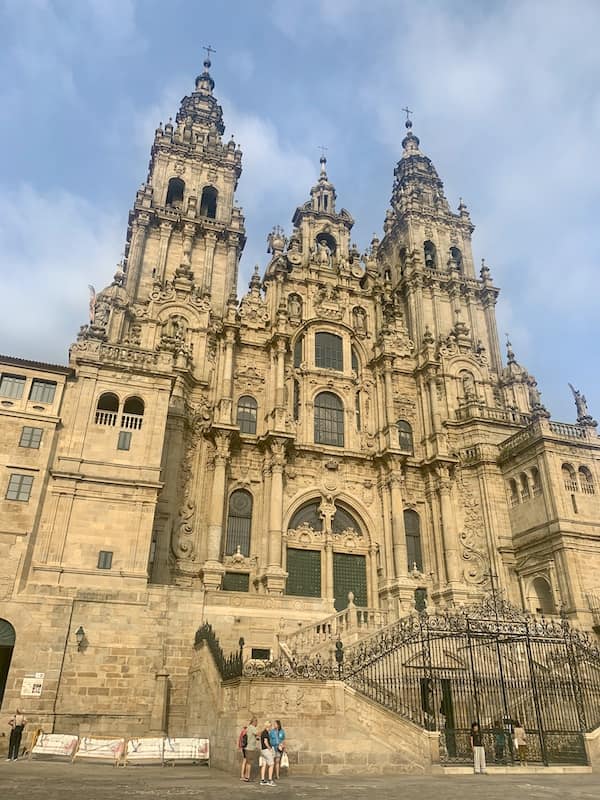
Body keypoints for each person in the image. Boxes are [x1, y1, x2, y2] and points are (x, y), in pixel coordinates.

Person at [259, 720, 275, 786]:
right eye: (271, 726)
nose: (271, 727)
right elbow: (265, 742)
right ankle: (270, 780)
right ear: (269, 726)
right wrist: (270, 749)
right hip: (266, 750)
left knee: (264, 765)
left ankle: (262, 780)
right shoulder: (265, 733)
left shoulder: (263, 732)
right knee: (271, 764)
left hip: (263, 750)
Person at [244, 716, 259, 781]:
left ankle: (246, 776)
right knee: (249, 763)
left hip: (247, 747)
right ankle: (248, 777)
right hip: (250, 748)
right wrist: (265, 730)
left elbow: (255, 736)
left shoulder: (249, 727)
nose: (257, 723)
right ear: (254, 722)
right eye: (256, 722)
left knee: (247, 762)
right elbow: (258, 734)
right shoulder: (253, 728)